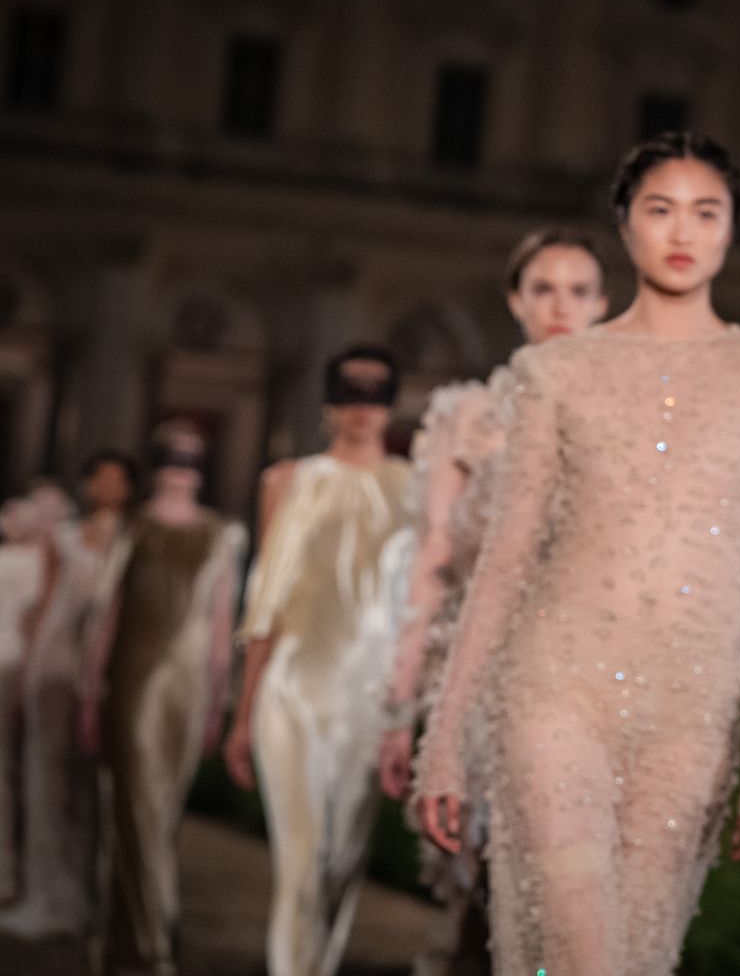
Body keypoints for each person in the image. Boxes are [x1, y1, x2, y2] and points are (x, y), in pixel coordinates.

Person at [414, 132, 740, 974]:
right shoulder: (555, 371)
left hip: (693, 709)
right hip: (553, 689)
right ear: (625, 226)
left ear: (731, 229)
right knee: (585, 954)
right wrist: (445, 738)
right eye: (658, 209)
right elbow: (508, 557)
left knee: (638, 955)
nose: (683, 230)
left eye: (706, 211)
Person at [377, 228, 608, 976]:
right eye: (542, 288)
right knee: (485, 878)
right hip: (482, 671)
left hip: (596, 675)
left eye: (578, 290)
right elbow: (434, 558)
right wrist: (402, 701)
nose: (560, 306)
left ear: (604, 303)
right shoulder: (466, 413)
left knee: (569, 884)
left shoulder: (631, 418)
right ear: (515, 300)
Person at [224, 346, 411, 976]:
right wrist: (244, 712)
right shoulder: (287, 481)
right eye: (350, 394)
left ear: (391, 404)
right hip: (291, 688)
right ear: (330, 403)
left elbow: (418, 606)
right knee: (299, 860)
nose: (362, 410)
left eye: (376, 395)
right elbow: (267, 595)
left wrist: (404, 715)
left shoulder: (415, 487)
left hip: (369, 692)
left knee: (342, 860)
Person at [80, 424, 245, 974]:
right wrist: (89, 695)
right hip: (133, 683)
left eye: (192, 458)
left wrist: (219, 702)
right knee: (134, 808)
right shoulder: (133, 526)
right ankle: (156, 951)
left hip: (191, 688)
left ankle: (121, 944)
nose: (181, 468)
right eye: (171, 457)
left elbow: (221, 627)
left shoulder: (220, 534)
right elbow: (105, 617)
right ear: (155, 463)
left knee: (163, 815)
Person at [0, 452, 136, 940]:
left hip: (106, 675)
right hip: (57, 668)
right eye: (100, 477)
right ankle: (47, 895)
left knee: (93, 790)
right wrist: (29, 668)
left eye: (117, 479)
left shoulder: (135, 539)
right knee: (46, 779)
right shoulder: (66, 539)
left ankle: (87, 898)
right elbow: (46, 605)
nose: (107, 486)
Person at [0, 482, 70, 909]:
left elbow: (35, 619)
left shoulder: (41, 560)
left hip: (14, 666)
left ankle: (13, 874)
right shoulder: (28, 560)